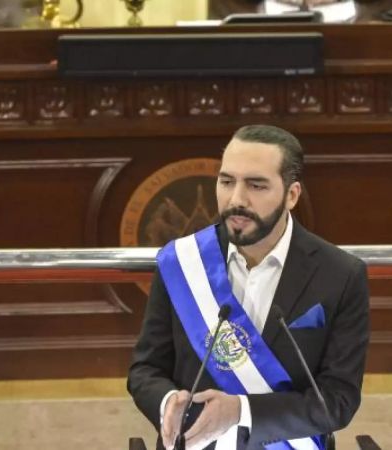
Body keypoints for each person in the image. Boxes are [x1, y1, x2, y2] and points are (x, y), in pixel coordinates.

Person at [127, 124, 369, 450]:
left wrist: (240, 411)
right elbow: (146, 370)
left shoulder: (340, 275)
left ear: (292, 195)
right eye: (226, 181)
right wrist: (168, 402)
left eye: (256, 185)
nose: (236, 199)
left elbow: (338, 400)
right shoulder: (182, 262)